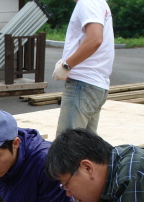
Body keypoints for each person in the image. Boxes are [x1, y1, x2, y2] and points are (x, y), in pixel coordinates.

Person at [53, 0, 114, 136]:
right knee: (87, 144)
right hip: (94, 84)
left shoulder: (87, 2)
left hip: (83, 84)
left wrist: (67, 65)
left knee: (68, 143)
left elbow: (95, 39)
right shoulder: (97, 2)